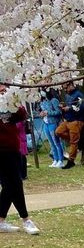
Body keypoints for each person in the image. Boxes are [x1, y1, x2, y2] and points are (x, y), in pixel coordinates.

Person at [0, 89, 39, 234]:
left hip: (12, 148)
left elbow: (22, 115)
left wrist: (14, 100)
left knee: (10, 185)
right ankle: (26, 219)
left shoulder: (9, 100)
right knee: (14, 184)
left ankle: (1, 220)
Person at [55, 80, 84, 169]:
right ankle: (77, 140)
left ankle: (71, 161)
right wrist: (63, 108)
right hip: (67, 120)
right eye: (64, 88)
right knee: (58, 132)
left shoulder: (79, 95)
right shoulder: (67, 95)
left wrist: (70, 109)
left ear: (71, 85)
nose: (66, 90)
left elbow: (81, 107)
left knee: (73, 142)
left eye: (66, 87)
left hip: (76, 120)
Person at [39, 89, 64, 167]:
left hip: (53, 123)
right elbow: (42, 111)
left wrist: (48, 113)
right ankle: (55, 159)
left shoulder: (54, 100)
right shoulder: (42, 102)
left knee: (56, 142)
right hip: (46, 123)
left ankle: (61, 160)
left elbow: (59, 112)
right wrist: (41, 114)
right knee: (51, 143)